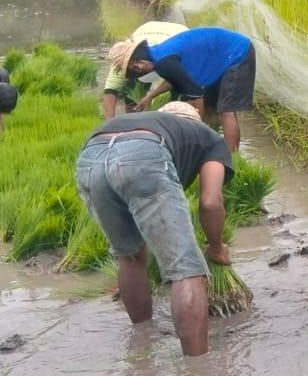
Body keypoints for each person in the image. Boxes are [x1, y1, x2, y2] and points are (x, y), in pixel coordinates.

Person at [74, 101, 234, 357]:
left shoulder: (145, 122)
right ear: (196, 120)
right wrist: (216, 248)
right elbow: (210, 202)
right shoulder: (209, 138)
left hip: (91, 158)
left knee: (130, 256)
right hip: (142, 156)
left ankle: (143, 344)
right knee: (186, 270)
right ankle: (198, 368)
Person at [111, 26, 256, 152]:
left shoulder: (163, 61)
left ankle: (231, 160)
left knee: (226, 110)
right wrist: (150, 97)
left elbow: (197, 95)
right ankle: (214, 149)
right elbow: (175, 78)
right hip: (219, 58)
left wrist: (196, 132)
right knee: (211, 108)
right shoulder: (158, 55)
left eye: (137, 62)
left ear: (140, 55)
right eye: (135, 68)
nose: (140, 67)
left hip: (237, 52)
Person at [102, 21, 189, 120]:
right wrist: (109, 121)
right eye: (133, 67)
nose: (139, 67)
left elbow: (176, 79)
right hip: (147, 30)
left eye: (137, 63)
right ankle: (132, 121)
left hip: (180, 42)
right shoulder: (122, 60)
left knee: (180, 99)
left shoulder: (165, 53)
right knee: (131, 89)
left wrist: (151, 96)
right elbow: (110, 90)